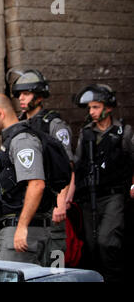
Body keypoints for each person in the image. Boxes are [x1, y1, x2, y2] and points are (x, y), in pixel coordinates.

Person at [7, 68, 74, 262]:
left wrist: (61, 203)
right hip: (28, 203)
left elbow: (67, 167)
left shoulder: (54, 125)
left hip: (51, 201)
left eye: (26, 94)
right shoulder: (18, 125)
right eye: (19, 94)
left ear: (39, 96)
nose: (21, 98)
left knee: (56, 259)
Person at [0, 93, 53, 266]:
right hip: (14, 228)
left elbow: (36, 184)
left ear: (0, 112)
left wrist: (22, 227)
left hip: (22, 230)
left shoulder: (22, 140)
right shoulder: (12, 140)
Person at [72, 84, 134, 282]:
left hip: (113, 195)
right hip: (89, 197)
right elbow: (77, 165)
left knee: (107, 242)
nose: (91, 112)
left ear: (108, 107)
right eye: (90, 108)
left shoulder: (123, 132)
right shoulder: (86, 133)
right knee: (91, 245)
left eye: (96, 107)